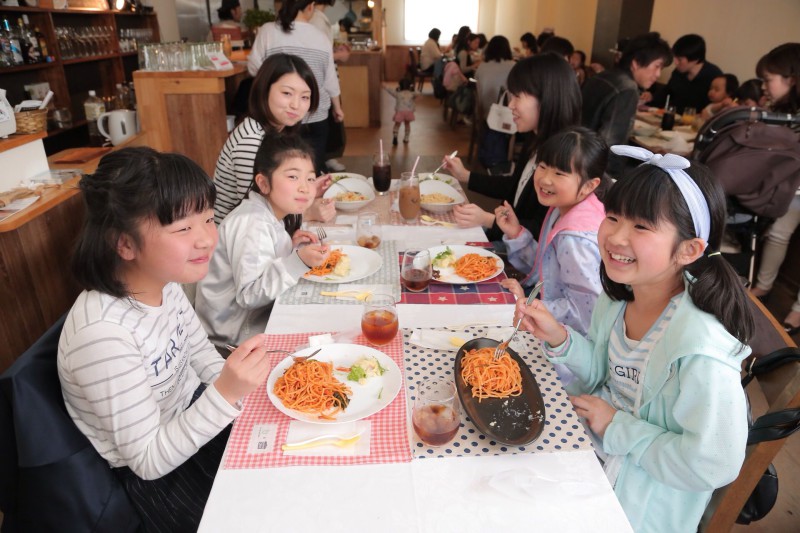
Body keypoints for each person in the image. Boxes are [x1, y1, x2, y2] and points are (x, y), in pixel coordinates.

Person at [517, 146, 753, 532]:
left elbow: (712, 462)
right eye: (612, 217)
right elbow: (602, 371)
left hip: (638, 506)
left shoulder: (700, 349)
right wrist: (561, 338)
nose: (616, 236)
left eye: (642, 227)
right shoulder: (620, 296)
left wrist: (617, 427)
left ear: (689, 249)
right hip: (591, 455)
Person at [58, 147, 273, 531]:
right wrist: (226, 393)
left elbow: (201, 356)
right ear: (124, 243)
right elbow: (148, 460)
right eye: (183, 229)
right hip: (161, 475)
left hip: (195, 417)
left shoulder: (164, 283)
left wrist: (245, 388)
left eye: (208, 218)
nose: (207, 239)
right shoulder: (103, 336)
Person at [197, 135, 329, 349]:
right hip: (233, 339)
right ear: (264, 183)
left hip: (250, 322)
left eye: (311, 178)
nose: (305, 187)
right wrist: (298, 261)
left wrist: (289, 247)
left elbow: (263, 262)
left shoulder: (266, 215)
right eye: (293, 177)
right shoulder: (252, 223)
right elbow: (250, 295)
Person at [443, 53, 581, 242]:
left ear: (546, 98)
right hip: (508, 240)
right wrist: (465, 175)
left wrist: (488, 219)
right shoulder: (537, 140)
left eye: (517, 96)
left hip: (522, 255)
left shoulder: (566, 160)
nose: (510, 105)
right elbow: (514, 187)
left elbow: (545, 230)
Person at [497, 126, 611, 339]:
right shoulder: (565, 208)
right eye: (542, 166)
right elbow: (548, 266)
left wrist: (529, 305)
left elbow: (585, 312)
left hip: (568, 347)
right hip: (551, 323)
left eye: (559, 173)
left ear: (589, 185)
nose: (545, 179)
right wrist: (515, 233)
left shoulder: (576, 239)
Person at [213, 53, 334, 225]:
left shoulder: (276, 131)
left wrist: (308, 186)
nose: (296, 105)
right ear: (265, 90)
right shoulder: (251, 140)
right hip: (235, 243)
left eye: (305, 97)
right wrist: (308, 212)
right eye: (287, 93)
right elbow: (253, 215)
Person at [248, 0, 344, 174]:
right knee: (312, 170)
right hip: (316, 114)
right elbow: (330, 79)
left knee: (281, 172)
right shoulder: (321, 36)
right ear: (309, 6)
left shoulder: (268, 31)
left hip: (279, 117)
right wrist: (337, 108)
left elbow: (254, 68)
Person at [749, 43, 800, 335]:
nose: (764, 86)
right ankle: (762, 286)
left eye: (769, 80)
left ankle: (796, 310)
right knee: (779, 232)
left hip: (793, 186)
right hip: (792, 187)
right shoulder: (782, 112)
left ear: (791, 79)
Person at [581, 32, 672, 178]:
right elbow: (614, 146)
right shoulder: (627, 89)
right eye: (657, 66)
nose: (658, 74)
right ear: (635, 63)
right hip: (592, 170)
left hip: (577, 155)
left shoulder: (602, 76)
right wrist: (612, 184)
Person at [309, 0, 349, 173]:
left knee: (328, 123)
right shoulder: (317, 20)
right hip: (322, 80)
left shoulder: (318, 18)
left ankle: (324, 160)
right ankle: (321, 165)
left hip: (321, 79)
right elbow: (317, 54)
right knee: (326, 122)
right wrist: (339, 55)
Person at [662, 34, 723, 114]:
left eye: (680, 59)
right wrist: (651, 96)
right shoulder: (678, 72)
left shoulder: (714, 76)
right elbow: (667, 92)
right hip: (673, 118)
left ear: (695, 59)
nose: (675, 62)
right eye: (675, 58)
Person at [384, 77, 416, 145]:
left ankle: (395, 136)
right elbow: (419, 93)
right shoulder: (412, 94)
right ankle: (406, 138)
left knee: (397, 125)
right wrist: (412, 89)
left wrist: (385, 87)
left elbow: (391, 91)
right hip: (409, 112)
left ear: (400, 86)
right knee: (407, 124)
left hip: (400, 112)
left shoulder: (398, 94)